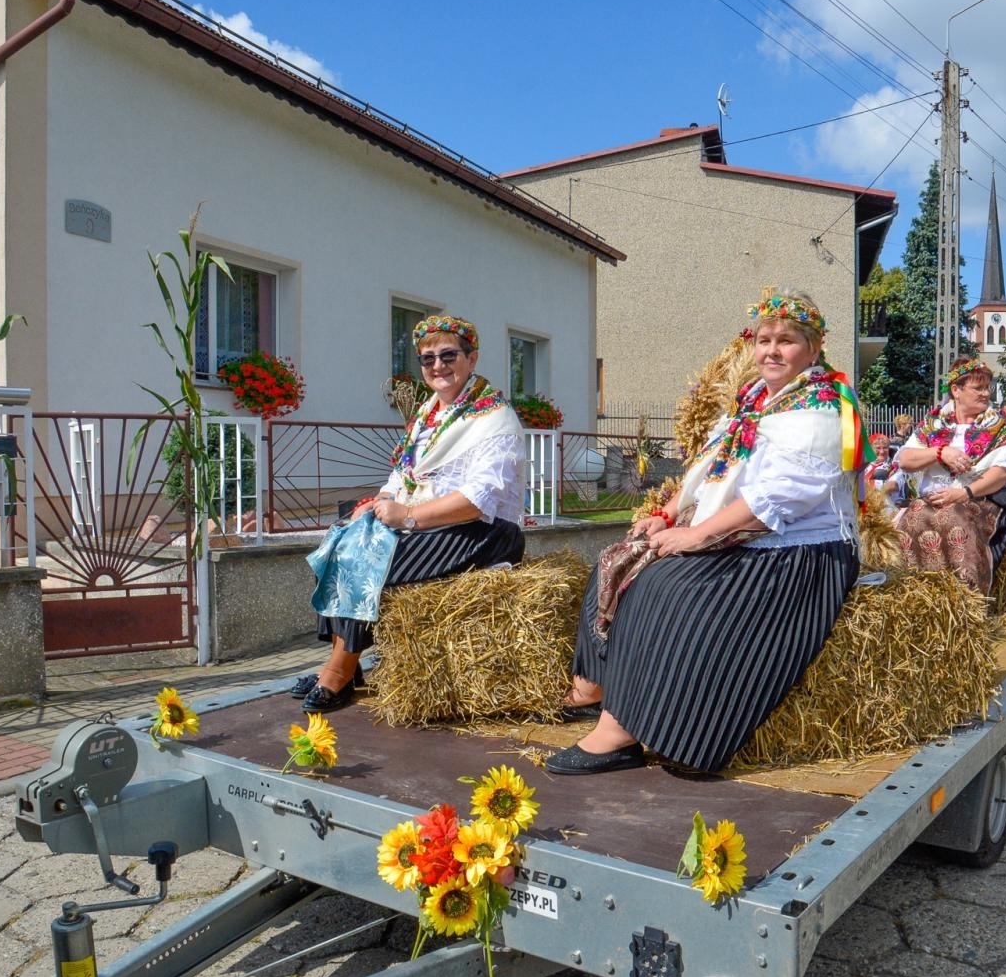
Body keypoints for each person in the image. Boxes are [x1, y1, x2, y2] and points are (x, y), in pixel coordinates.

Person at [548, 287, 863, 775]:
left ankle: (624, 732)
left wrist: (696, 537)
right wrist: (670, 515)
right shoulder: (756, 399)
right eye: (763, 340)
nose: (771, 351)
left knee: (666, 588)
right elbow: (711, 469)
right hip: (741, 532)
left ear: (814, 349)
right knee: (619, 556)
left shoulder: (822, 407)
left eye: (786, 341)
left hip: (795, 550)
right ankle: (596, 685)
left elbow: (774, 501)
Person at [297, 315, 527, 712]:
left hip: (485, 531)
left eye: (448, 355)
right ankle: (341, 665)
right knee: (341, 539)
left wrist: (406, 516)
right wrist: (380, 501)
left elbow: (477, 500)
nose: (438, 366)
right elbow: (403, 473)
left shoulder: (495, 417)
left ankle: (340, 672)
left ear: (472, 359)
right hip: (428, 522)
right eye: (427, 359)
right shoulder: (429, 414)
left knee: (368, 557)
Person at [892, 357, 1006, 591]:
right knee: (912, 517)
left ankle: (966, 598)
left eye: (987, 388)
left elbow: (1002, 473)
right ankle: (914, 592)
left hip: (981, 499)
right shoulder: (933, 424)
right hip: (933, 499)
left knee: (955, 519)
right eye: (978, 388)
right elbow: (905, 459)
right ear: (956, 390)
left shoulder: (1002, 426)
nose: (986, 394)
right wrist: (940, 452)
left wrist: (964, 493)